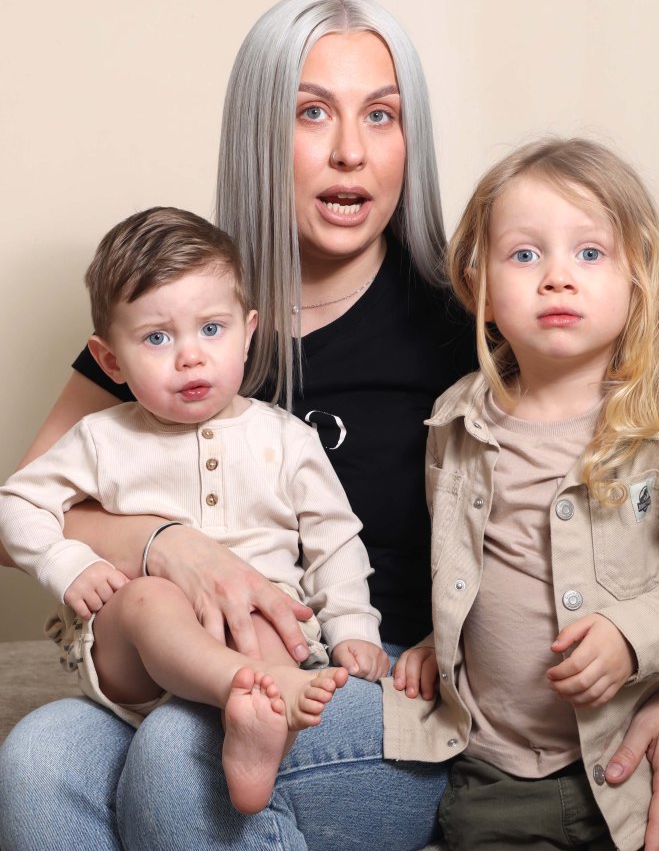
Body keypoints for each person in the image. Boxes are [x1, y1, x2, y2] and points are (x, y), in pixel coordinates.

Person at [0, 0, 659, 851]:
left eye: (380, 115)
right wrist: (168, 545)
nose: (350, 149)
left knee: (175, 759)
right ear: (256, 138)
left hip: (380, 678)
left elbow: (636, 500)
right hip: (176, 660)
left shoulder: (474, 321)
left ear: (406, 140)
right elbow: (27, 514)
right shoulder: (182, 311)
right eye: (311, 112)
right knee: (37, 763)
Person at [391, 138, 659, 851]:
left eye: (590, 254)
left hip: (640, 759)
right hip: (497, 776)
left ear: (638, 277)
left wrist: (634, 636)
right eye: (525, 255)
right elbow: (464, 562)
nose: (558, 277)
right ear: (477, 284)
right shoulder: (454, 425)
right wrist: (443, 640)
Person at [0, 206, 389, 816]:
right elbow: (17, 502)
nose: (190, 357)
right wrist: (66, 563)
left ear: (248, 329)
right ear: (110, 362)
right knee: (148, 600)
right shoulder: (102, 439)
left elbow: (334, 543)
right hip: (137, 659)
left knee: (266, 614)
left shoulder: (287, 440)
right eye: (157, 338)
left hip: (262, 636)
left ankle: (254, 718)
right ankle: (251, 691)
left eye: (212, 329)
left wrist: (354, 628)